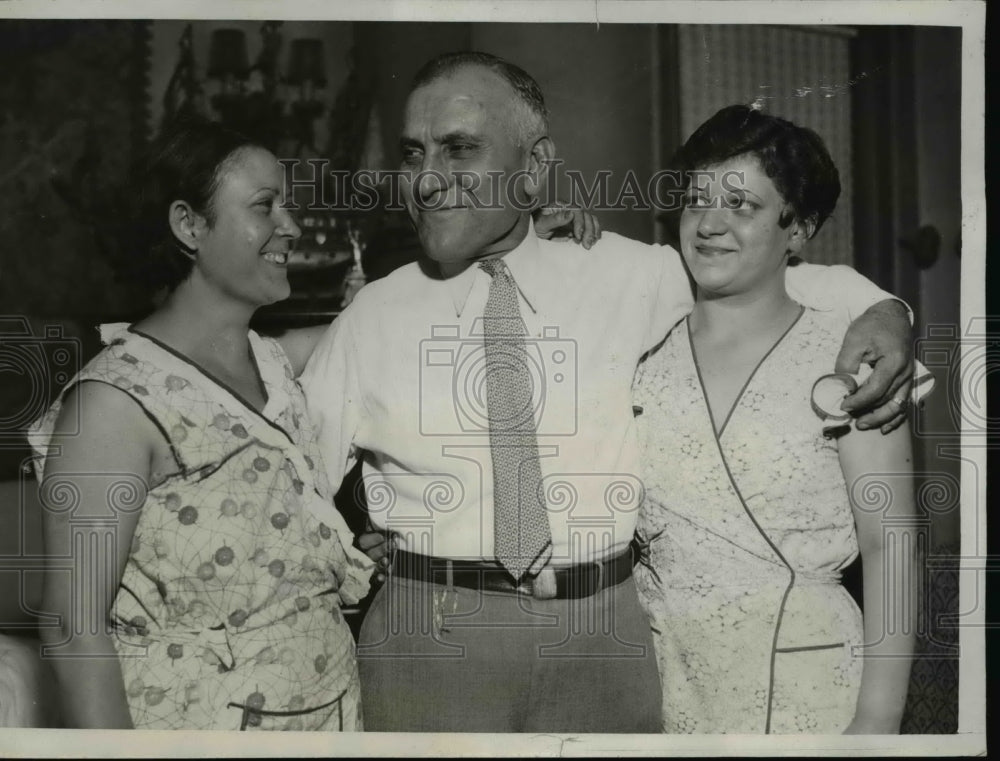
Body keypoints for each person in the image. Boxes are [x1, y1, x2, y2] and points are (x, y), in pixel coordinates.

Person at [299, 52, 916, 733]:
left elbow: (772, 277)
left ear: (535, 168)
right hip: (432, 638)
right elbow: (286, 493)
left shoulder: (628, 274)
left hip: (609, 642)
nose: (428, 180)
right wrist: (356, 557)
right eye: (412, 153)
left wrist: (888, 309)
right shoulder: (369, 318)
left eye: (460, 149)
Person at [27, 119, 376, 730]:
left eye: (287, 205)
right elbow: (71, 628)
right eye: (266, 206)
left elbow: (398, 324)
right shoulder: (114, 403)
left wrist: (532, 250)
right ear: (189, 225)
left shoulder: (276, 362)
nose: (290, 226)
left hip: (329, 715)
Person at [632, 105, 917, 734]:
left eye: (743, 206)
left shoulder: (853, 361)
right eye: (698, 198)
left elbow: (889, 546)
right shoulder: (640, 353)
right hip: (663, 685)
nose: (709, 223)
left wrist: (876, 727)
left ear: (799, 229)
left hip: (811, 692)